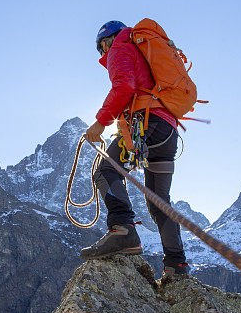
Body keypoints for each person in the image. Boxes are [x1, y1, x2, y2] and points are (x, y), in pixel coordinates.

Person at [80, 20, 189, 280]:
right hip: (168, 129)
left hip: (144, 122)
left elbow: (123, 88)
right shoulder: (144, 49)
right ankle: (177, 266)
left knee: (106, 171)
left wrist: (99, 123)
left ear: (106, 41)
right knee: (158, 200)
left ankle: (123, 229)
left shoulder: (121, 47)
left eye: (100, 49)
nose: (103, 55)